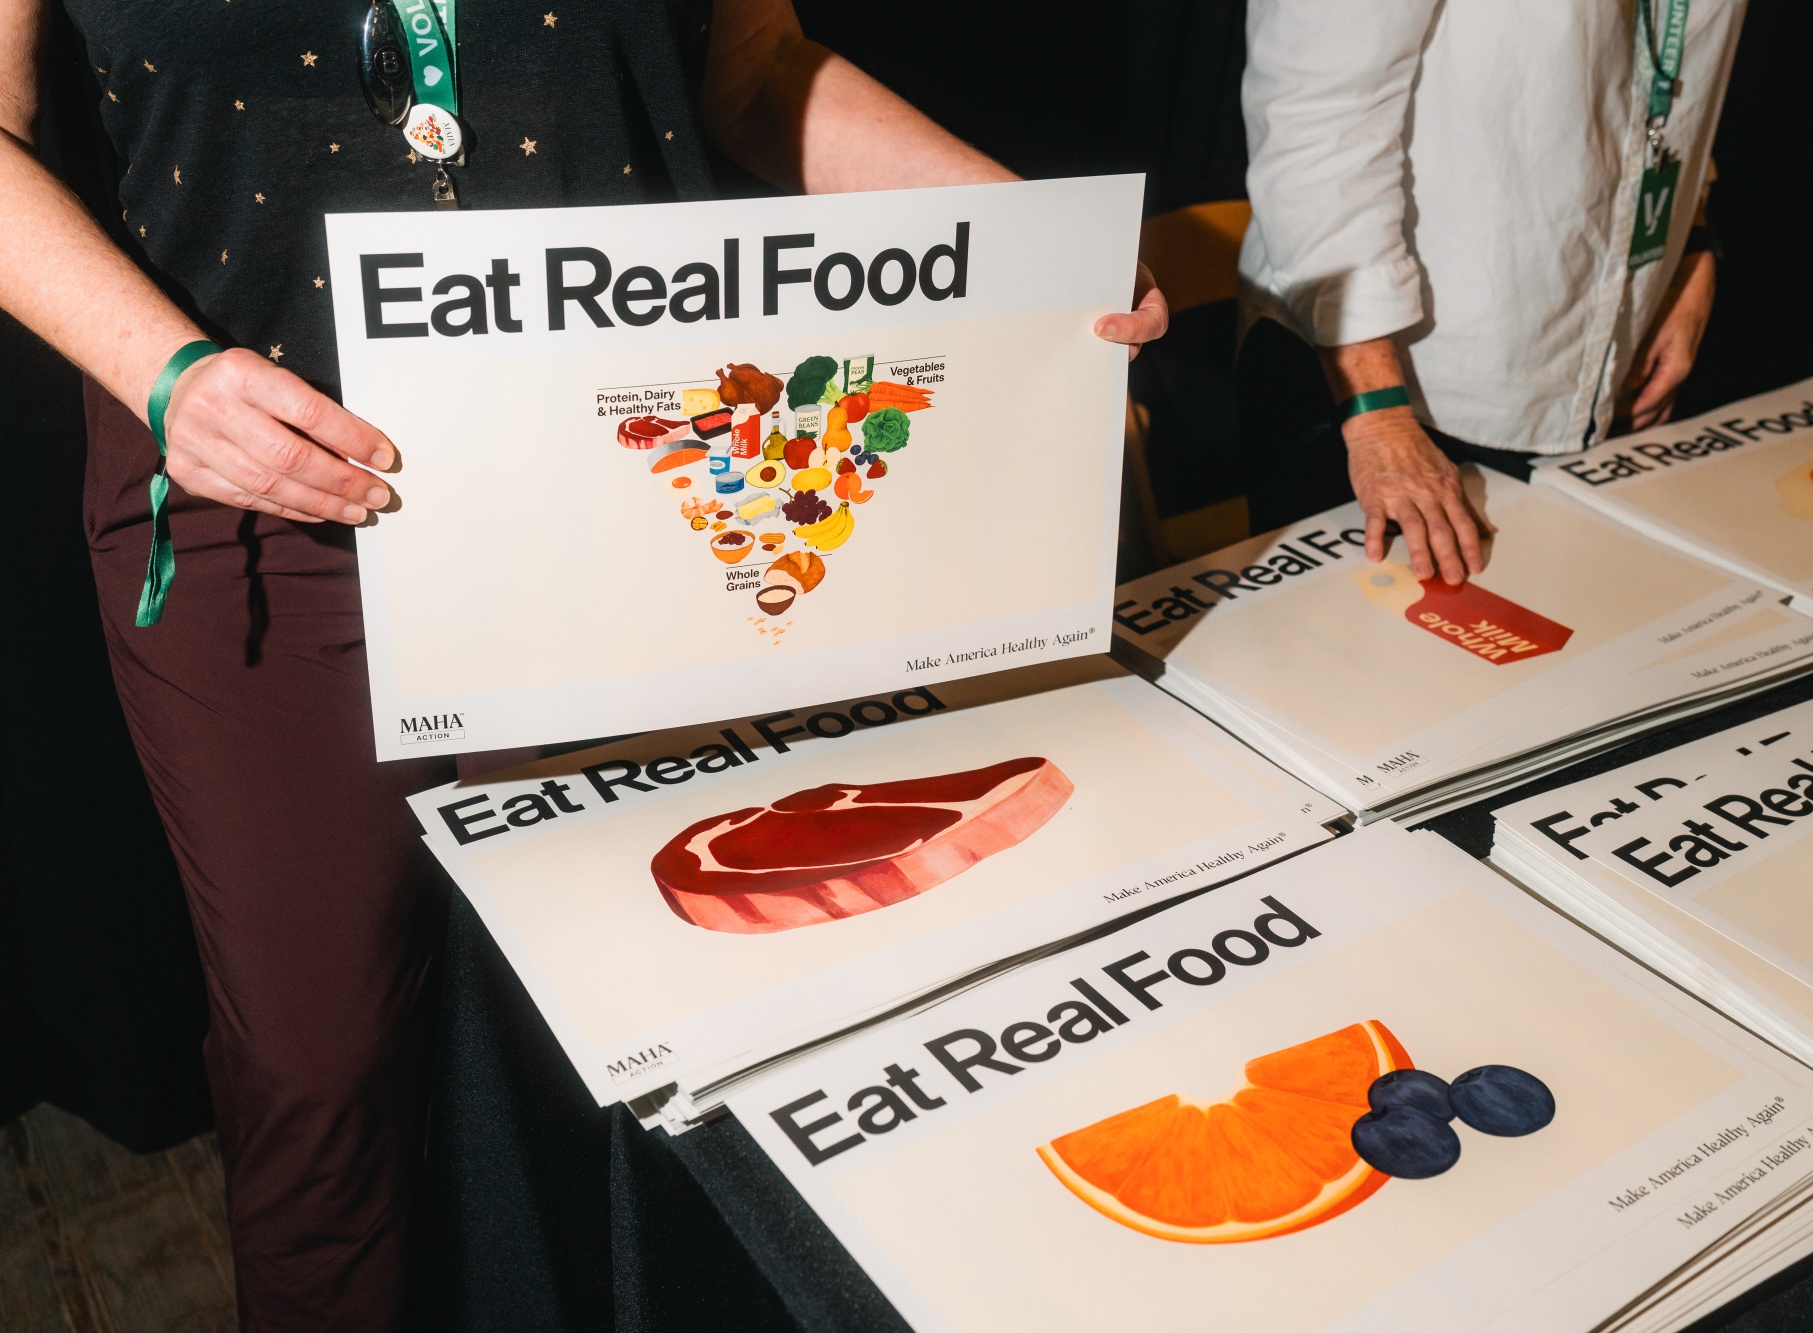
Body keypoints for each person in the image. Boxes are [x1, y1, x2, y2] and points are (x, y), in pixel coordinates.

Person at [0, 1, 1164, 1326]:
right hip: (257, 490)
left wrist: (1024, 243)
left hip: (611, 460)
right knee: (319, 1069)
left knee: (622, 1014)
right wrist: (164, 375)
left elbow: (758, 71)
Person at [1234, 0, 1738, 584]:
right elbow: (1313, 119)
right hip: (1386, 386)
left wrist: (1686, 243)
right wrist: (1376, 417)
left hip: (1597, 347)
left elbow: (1659, 67)